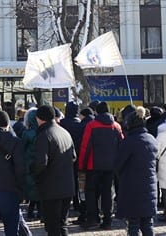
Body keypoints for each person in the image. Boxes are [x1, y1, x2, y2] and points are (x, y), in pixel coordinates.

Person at [32, 105, 76, 236]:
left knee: (52, 227)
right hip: (67, 186)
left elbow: (40, 163)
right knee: (62, 224)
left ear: (39, 119)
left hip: (51, 188)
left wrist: (33, 174)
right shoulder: (64, 132)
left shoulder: (44, 135)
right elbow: (73, 156)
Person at [78, 101, 123, 229]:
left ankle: (93, 218)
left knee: (91, 192)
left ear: (96, 111)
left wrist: (82, 165)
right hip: (110, 166)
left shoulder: (91, 125)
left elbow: (85, 146)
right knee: (107, 192)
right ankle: (107, 220)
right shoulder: (116, 126)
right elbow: (121, 145)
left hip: (93, 165)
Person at [114, 107, 158, 236]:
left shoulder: (129, 142)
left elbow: (118, 164)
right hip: (150, 188)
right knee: (147, 223)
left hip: (132, 189)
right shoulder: (151, 139)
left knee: (133, 224)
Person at [21, 108, 41, 220]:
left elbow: (22, 148)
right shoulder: (43, 131)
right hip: (41, 163)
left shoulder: (27, 133)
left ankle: (30, 211)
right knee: (39, 188)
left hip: (29, 163)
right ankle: (40, 212)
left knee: (32, 189)